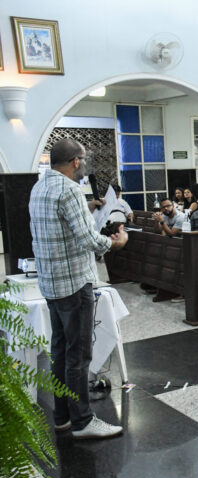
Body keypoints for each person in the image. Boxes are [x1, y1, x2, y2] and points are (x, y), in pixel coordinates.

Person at [29, 138, 128, 439]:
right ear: (75, 161)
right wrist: (116, 243)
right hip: (73, 283)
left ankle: (62, 417)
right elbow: (89, 240)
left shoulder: (39, 187)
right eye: (83, 159)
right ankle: (83, 421)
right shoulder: (70, 190)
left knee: (60, 353)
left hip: (51, 283)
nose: (85, 165)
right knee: (79, 356)